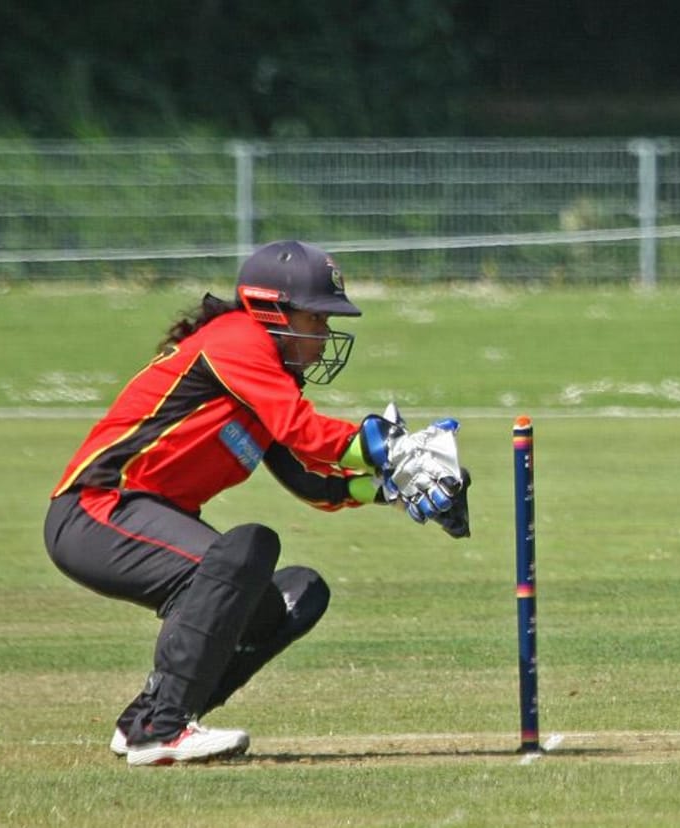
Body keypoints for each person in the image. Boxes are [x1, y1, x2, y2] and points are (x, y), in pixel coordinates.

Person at [43, 240, 471, 766]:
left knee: (296, 594)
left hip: (140, 519)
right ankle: (161, 730)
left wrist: (389, 488)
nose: (324, 336)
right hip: (96, 510)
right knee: (246, 550)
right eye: (316, 319)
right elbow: (307, 432)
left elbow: (312, 481)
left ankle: (149, 717)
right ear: (273, 310)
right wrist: (394, 448)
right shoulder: (237, 339)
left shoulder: (265, 376)